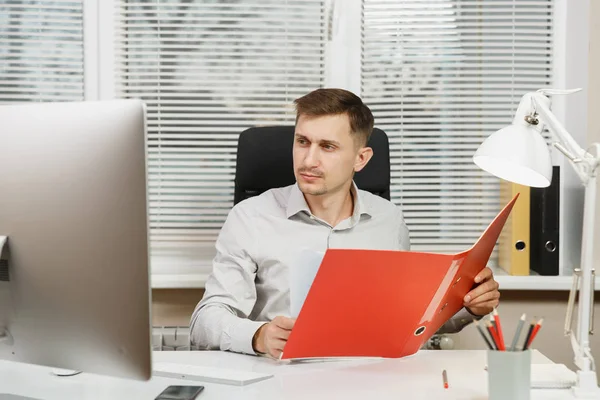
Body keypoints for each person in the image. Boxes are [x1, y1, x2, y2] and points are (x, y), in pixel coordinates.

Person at [190, 88, 501, 359]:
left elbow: (409, 321)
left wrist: (469, 306)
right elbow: (205, 321)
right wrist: (258, 336)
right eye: (302, 142)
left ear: (360, 159)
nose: (308, 160)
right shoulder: (250, 217)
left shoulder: (389, 221)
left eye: (327, 146)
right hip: (279, 375)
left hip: (367, 376)